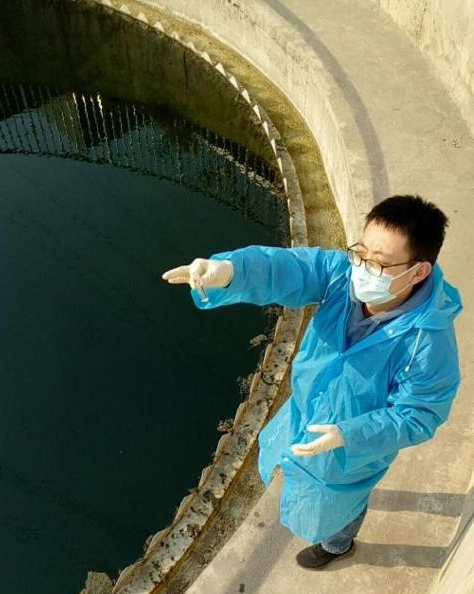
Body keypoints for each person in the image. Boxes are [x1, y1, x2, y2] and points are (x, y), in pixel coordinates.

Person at [162, 195, 462, 569]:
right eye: (361, 252)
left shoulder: (428, 343)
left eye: (379, 263)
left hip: (352, 449)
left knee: (347, 499)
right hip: (304, 413)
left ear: (418, 272)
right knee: (303, 471)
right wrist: (229, 272)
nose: (362, 268)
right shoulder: (341, 275)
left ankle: (337, 545)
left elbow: (419, 415)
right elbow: (288, 269)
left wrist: (349, 434)